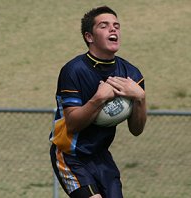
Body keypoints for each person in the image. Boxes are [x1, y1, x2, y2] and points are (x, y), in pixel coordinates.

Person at [49, 6, 147, 198]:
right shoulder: (73, 70)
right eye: (104, 25)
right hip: (70, 155)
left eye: (116, 26)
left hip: (101, 156)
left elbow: (136, 129)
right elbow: (73, 124)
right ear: (89, 37)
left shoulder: (132, 75)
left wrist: (140, 98)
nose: (113, 29)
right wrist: (99, 98)